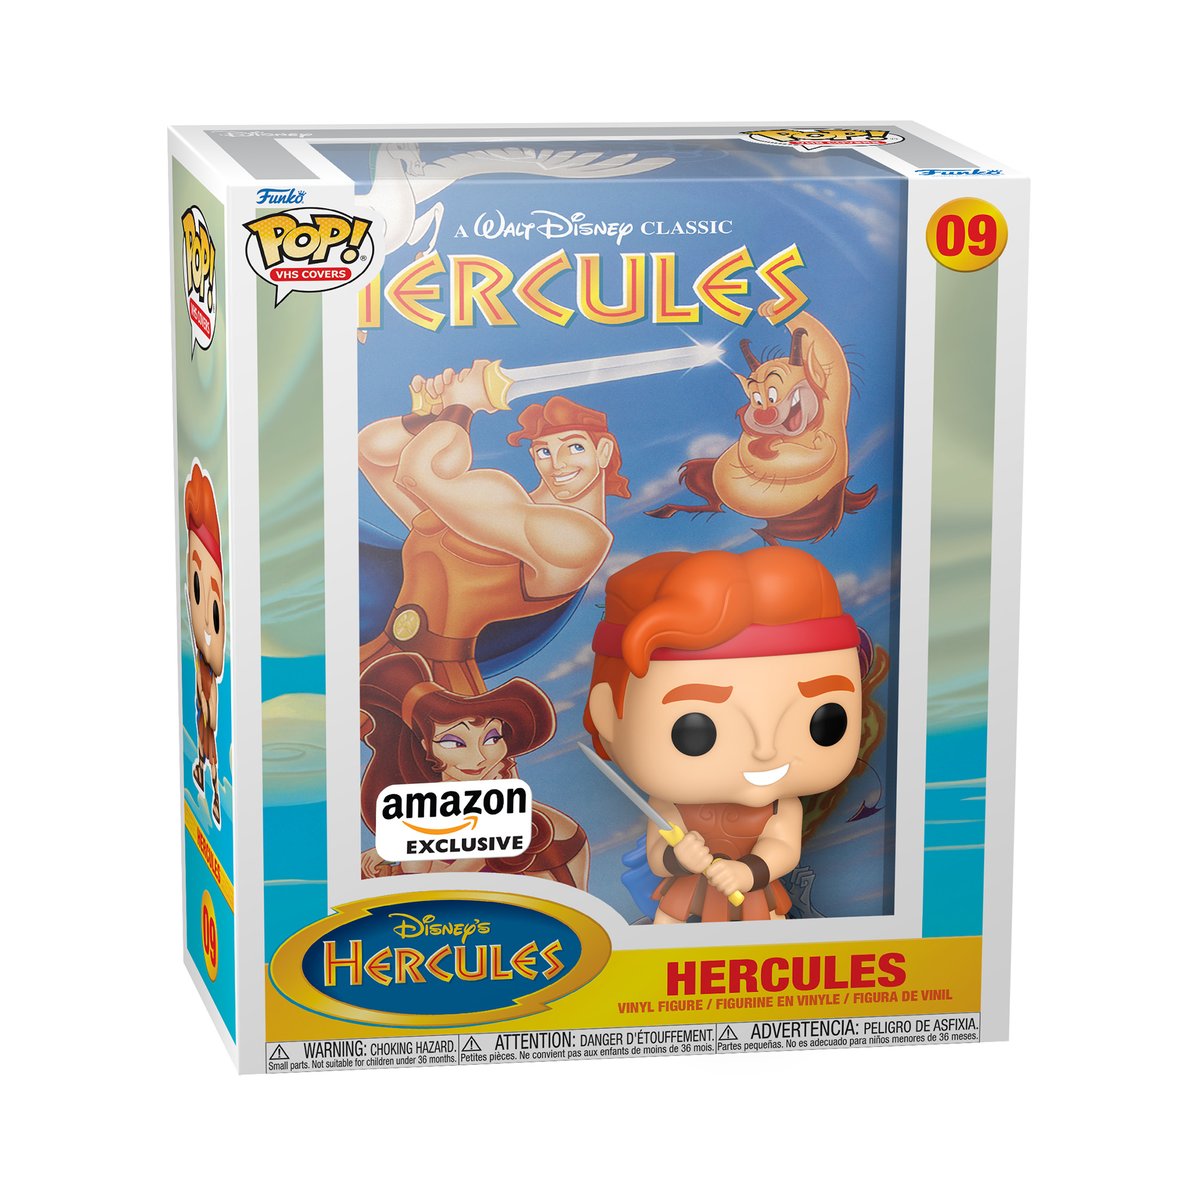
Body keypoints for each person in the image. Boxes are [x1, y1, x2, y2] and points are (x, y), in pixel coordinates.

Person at [585, 547, 864, 923]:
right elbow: (658, 856)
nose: (765, 751)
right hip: (685, 901)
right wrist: (679, 857)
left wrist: (748, 872)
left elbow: (783, 848)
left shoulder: (781, 807)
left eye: (824, 723)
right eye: (696, 730)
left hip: (755, 901)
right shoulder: (668, 805)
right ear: (608, 715)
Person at [358, 360, 629, 698]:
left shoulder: (580, 538)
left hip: (439, 690)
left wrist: (461, 408)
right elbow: (371, 452)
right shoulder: (493, 506)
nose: (558, 463)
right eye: (544, 451)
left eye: (575, 447)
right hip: (376, 662)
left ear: (603, 451)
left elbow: (417, 474)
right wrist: (432, 415)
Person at [359, 653, 588, 888]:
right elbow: (420, 860)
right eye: (453, 742)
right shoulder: (434, 799)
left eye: (492, 738)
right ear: (426, 746)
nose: (479, 758)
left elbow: (451, 874)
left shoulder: (500, 801)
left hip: (540, 886)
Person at [184, 462, 226, 828]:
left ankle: (211, 782)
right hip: (204, 716)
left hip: (207, 714)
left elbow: (209, 711)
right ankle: (207, 777)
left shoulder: (207, 672)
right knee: (206, 738)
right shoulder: (200, 664)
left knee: (209, 739)